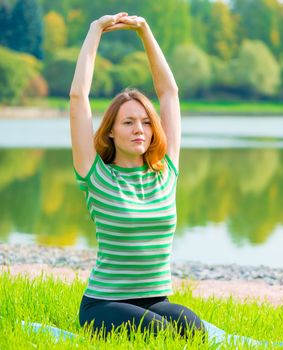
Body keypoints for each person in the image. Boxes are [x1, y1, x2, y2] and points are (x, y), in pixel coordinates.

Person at [69, 12, 204, 339]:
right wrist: (95, 30)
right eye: (128, 122)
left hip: (155, 299)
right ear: (112, 132)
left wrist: (144, 31)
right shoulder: (96, 176)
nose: (139, 129)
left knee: (193, 330)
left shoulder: (166, 174)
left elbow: (169, 93)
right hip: (103, 303)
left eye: (145, 121)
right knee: (157, 333)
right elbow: (78, 97)